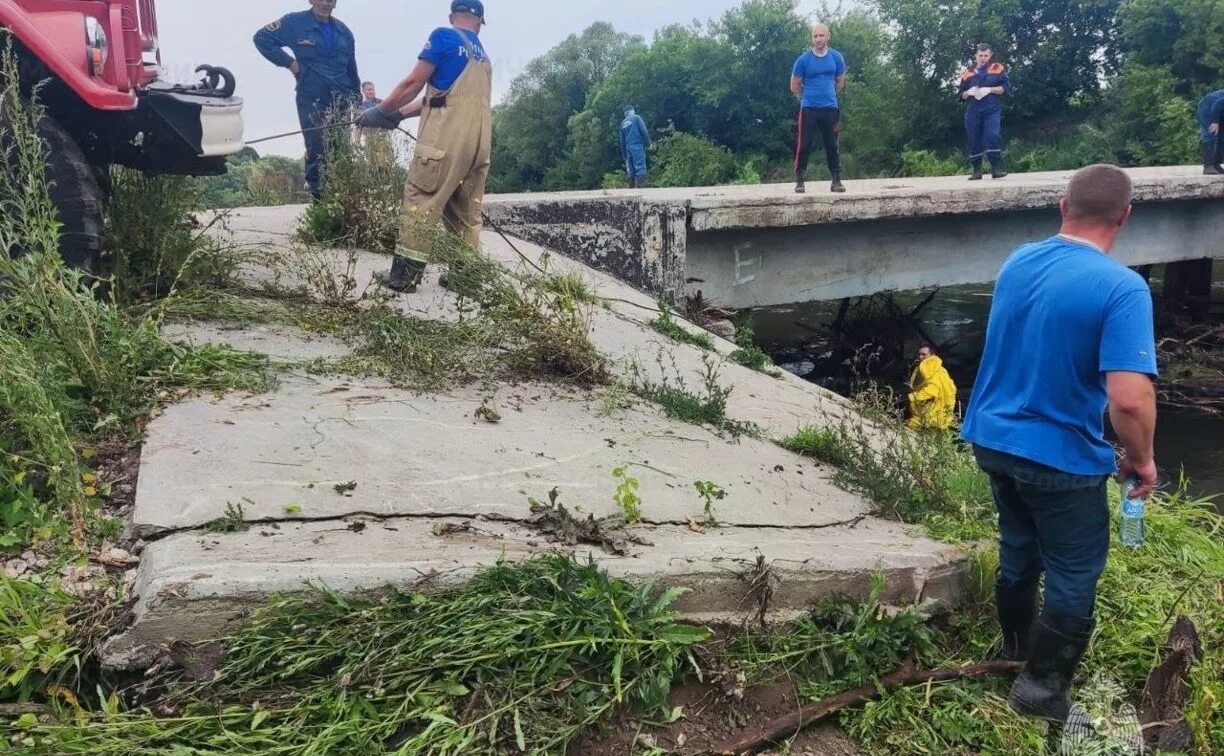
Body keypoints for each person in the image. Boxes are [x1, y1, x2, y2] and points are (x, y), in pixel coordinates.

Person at [961, 164, 1158, 725]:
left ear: (1061, 207)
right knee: (1074, 573)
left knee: (1019, 550)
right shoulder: (1123, 287)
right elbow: (1129, 401)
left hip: (994, 441)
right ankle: (1041, 692)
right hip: (1058, 458)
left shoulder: (1018, 260)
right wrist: (1140, 460)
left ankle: (1016, 654)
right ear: (1125, 216)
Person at [360, 0, 493, 293]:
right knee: (466, 212)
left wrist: (380, 110)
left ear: (451, 16)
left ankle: (404, 277)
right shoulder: (484, 58)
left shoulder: (443, 37)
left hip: (444, 141)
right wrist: (398, 115)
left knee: (421, 199)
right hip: (479, 146)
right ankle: (465, 277)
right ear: (480, 22)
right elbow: (439, 98)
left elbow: (412, 83)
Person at [254, 0, 361, 200]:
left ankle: (341, 202)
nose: (326, 3)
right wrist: (291, 64)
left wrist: (357, 100)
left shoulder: (344, 32)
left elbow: (351, 68)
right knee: (317, 148)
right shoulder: (294, 22)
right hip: (312, 96)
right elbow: (262, 38)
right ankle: (320, 207)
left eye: (331, 0)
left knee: (340, 151)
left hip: (341, 99)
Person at [790, 23, 846, 194]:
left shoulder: (836, 58)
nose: (818, 39)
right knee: (804, 144)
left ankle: (836, 181)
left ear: (828, 36)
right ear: (812, 38)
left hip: (830, 108)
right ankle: (800, 180)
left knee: (832, 145)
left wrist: (828, 95)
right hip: (809, 109)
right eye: (815, 36)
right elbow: (794, 85)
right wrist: (806, 97)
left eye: (822, 36)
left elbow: (840, 81)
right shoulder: (803, 60)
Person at [958, 44, 1010, 181]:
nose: (983, 58)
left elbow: (1005, 88)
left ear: (990, 55)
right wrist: (968, 92)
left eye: (986, 55)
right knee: (974, 138)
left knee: (992, 135)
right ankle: (976, 171)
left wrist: (990, 89)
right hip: (973, 110)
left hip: (991, 109)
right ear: (975, 56)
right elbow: (960, 95)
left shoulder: (998, 69)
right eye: (980, 55)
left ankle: (996, 169)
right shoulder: (967, 72)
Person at [907, 344, 957, 430]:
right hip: (936, 405)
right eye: (919, 354)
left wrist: (914, 397)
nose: (920, 356)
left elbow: (933, 388)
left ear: (932, 355)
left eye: (924, 354)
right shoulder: (933, 367)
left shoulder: (930, 367)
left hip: (932, 404)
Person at [619, 105, 651, 188]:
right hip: (637, 145)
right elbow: (644, 130)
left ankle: (631, 187)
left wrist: (624, 155)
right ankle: (641, 186)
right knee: (640, 165)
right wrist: (648, 143)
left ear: (625, 113)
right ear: (632, 111)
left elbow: (622, 141)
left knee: (631, 168)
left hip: (628, 148)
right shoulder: (636, 118)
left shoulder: (622, 123)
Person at [1196, 89, 1224, 175]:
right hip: (1208, 107)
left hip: (1220, 111)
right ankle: (1208, 166)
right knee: (1211, 133)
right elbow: (1218, 104)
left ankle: (1216, 164)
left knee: (1221, 137)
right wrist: (1215, 122)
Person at [354, 81, 383, 146]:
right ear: (363, 91)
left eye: (372, 89)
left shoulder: (381, 103)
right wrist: (356, 143)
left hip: (383, 136)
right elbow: (358, 126)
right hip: (369, 137)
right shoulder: (361, 106)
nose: (371, 92)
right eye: (368, 90)